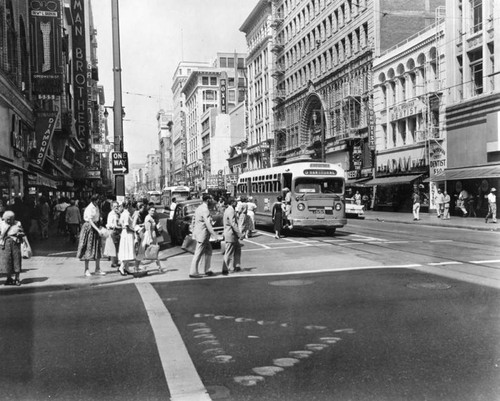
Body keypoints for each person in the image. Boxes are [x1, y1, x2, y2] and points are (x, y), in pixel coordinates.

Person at [189, 194, 219, 278]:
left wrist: (194, 232)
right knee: (198, 253)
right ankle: (193, 272)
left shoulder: (199, 208)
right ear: (208, 200)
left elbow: (193, 221)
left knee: (209, 250)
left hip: (199, 233)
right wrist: (214, 234)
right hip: (203, 234)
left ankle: (207, 269)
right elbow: (208, 224)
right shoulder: (205, 210)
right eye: (211, 199)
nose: (212, 201)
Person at [76, 194, 105, 277]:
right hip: (89, 228)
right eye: (98, 200)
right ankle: (86, 269)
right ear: (94, 200)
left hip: (96, 226)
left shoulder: (97, 207)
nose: (99, 201)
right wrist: (98, 230)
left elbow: (97, 218)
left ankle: (97, 268)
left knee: (97, 248)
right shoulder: (89, 208)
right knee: (88, 248)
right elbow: (90, 221)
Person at [0, 211, 25, 286]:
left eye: (10, 219)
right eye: (6, 219)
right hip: (4, 244)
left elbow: (22, 232)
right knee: (6, 261)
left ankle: (17, 278)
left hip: (15, 243)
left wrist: (19, 234)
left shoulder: (18, 223)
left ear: (13, 218)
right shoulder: (1, 223)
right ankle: (9, 278)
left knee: (16, 260)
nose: (8, 221)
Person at [219, 197, 242, 275]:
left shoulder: (228, 210)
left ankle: (237, 265)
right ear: (232, 202)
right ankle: (225, 268)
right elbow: (233, 223)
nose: (237, 203)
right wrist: (239, 233)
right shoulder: (231, 210)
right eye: (235, 202)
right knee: (229, 252)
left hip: (231, 234)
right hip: (231, 234)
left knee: (237, 249)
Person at [137, 205, 162, 272]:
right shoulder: (148, 218)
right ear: (148, 211)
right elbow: (148, 229)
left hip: (152, 235)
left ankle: (159, 267)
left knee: (153, 251)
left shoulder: (149, 217)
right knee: (147, 251)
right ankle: (159, 267)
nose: (153, 212)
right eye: (151, 210)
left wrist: (142, 224)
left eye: (154, 211)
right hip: (149, 235)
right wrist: (150, 239)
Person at [117, 201, 136, 275]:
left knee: (126, 250)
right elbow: (127, 227)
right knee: (127, 250)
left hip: (125, 233)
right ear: (128, 206)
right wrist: (134, 230)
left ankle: (127, 268)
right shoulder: (126, 214)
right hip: (127, 234)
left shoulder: (123, 214)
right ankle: (121, 267)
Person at [104, 201, 121, 267]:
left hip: (118, 231)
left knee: (117, 247)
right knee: (113, 247)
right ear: (111, 207)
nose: (116, 207)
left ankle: (116, 261)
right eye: (114, 206)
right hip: (113, 231)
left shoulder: (118, 213)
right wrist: (115, 226)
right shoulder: (111, 214)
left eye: (117, 206)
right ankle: (114, 262)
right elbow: (109, 224)